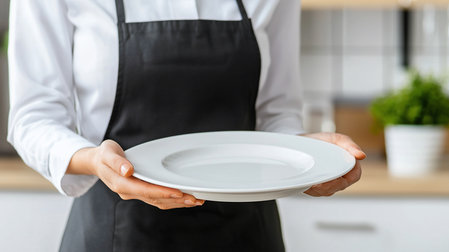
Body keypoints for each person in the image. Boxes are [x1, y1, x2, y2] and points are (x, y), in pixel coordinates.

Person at [7, 0, 365, 251]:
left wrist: (308, 154)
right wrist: (92, 159)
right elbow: (33, 117)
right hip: (116, 234)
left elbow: (276, 113)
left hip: (246, 236)